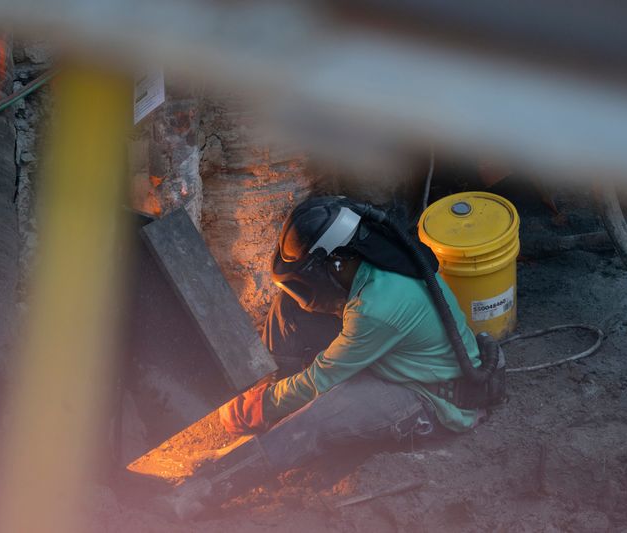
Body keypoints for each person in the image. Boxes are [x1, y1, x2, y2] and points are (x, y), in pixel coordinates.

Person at [167, 196, 498, 519]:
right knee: (291, 307)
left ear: (336, 261)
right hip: (399, 358)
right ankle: (273, 412)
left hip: (431, 398)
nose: (308, 285)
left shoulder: (378, 308)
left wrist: (262, 405)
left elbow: (319, 381)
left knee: (315, 419)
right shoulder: (374, 257)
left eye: (312, 273)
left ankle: (205, 488)